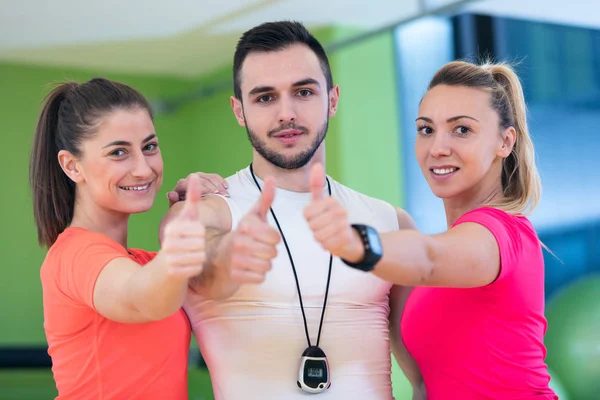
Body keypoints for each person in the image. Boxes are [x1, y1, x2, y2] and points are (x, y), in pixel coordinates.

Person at [165, 21, 423, 399]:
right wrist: (234, 254)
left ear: (332, 99)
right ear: (239, 110)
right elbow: (206, 271)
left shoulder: (391, 222)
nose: (286, 113)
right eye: (265, 97)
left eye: (303, 91)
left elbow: (425, 374)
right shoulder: (209, 212)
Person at [305, 60, 558, 399]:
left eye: (462, 130)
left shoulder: (505, 235)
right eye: (426, 129)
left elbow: (429, 258)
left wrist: (358, 243)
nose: (437, 147)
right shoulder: (439, 264)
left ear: (505, 142)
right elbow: (425, 384)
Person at [30, 78, 212, 399]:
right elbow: (140, 298)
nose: (143, 169)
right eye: (119, 152)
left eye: (149, 147)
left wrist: (216, 208)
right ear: (72, 166)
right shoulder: (75, 254)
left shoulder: (146, 264)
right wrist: (181, 233)